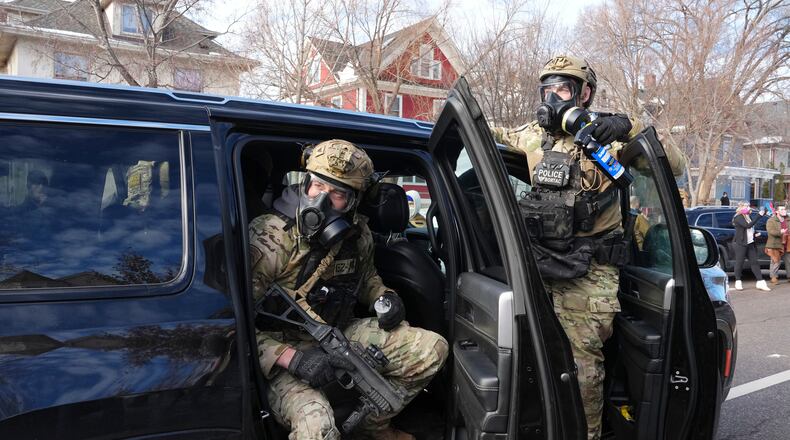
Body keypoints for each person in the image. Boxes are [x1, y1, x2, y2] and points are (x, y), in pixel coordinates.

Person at [491, 54, 685, 440]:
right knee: (533, 364)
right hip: (540, 267)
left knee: (582, 375)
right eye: (547, 89)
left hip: (590, 275)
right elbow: (489, 134)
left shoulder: (608, 142)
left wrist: (627, 127)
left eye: (563, 89)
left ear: (585, 94)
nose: (553, 97)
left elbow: (674, 166)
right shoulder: (533, 136)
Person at [249, 139, 448, 440]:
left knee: (431, 349)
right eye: (317, 186)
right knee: (319, 429)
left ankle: (373, 425)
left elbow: (366, 277)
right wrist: (291, 358)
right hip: (278, 350)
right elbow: (231, 324)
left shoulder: (358, 235)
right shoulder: (271, 238)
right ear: (305, 184)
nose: (322, 200)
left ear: (354, 200)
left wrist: (384, 297)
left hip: (338, 332)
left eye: (338, 193)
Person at [732, 201, 770, 291]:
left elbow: (750, 229)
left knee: (754, 262)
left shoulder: (747, 216)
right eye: (746, 206)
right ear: (741, 207)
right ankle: (738, 281)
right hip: (740, 244)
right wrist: (759, 216)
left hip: (750, 243)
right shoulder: (738, 217)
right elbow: (748, 225)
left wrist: (755, 233)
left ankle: (760, 282)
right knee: (739, 262)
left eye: (748, 206)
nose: (748, 208)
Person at [764, 204, 790, 284]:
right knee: (775, 261)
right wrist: (780, 232)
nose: (784, 211)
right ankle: (773, 277)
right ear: (777, 211)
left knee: (789, 261)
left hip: (787, 243)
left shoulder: (788, 219)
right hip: (775, 244)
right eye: (781, 209)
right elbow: (771, 231)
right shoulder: (771, 220)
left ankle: (789, 276)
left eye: (784, 209)